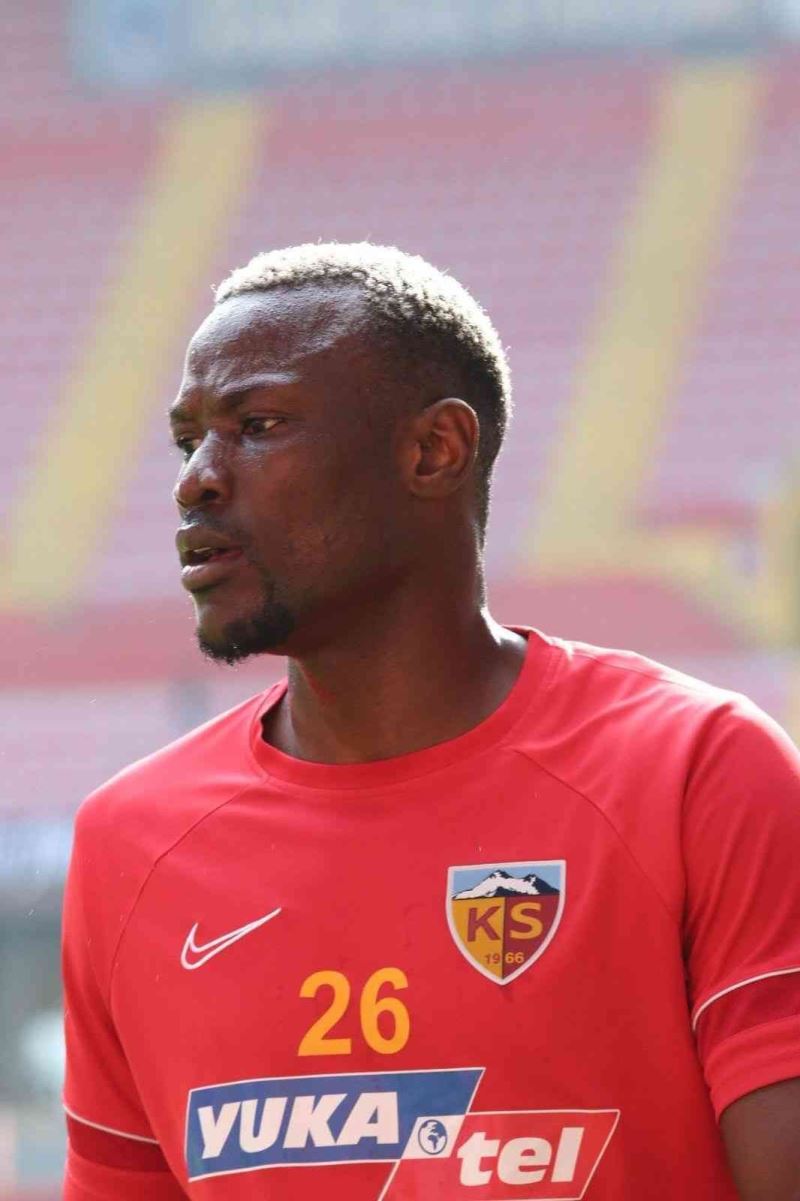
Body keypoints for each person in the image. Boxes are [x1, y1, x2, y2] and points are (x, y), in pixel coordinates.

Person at [61, 243, 800, 1200]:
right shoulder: (131, 843)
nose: (196, 479)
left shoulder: (696, 770)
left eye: (257, 425)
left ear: (434, 450)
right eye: (188, 440)